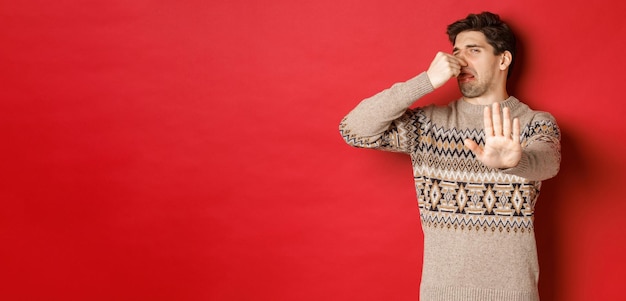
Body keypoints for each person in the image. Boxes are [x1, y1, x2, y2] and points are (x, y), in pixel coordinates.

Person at [339, 12, 561, 301]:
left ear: (503, 60)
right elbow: (353, 130)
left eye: (474, 51)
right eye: (456, 52)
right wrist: (426, 81)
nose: (462, 60)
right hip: (440, 292)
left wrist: (514, 163)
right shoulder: (429, 125)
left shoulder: (535, 122)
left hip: (513, 292)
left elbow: (548, 163)